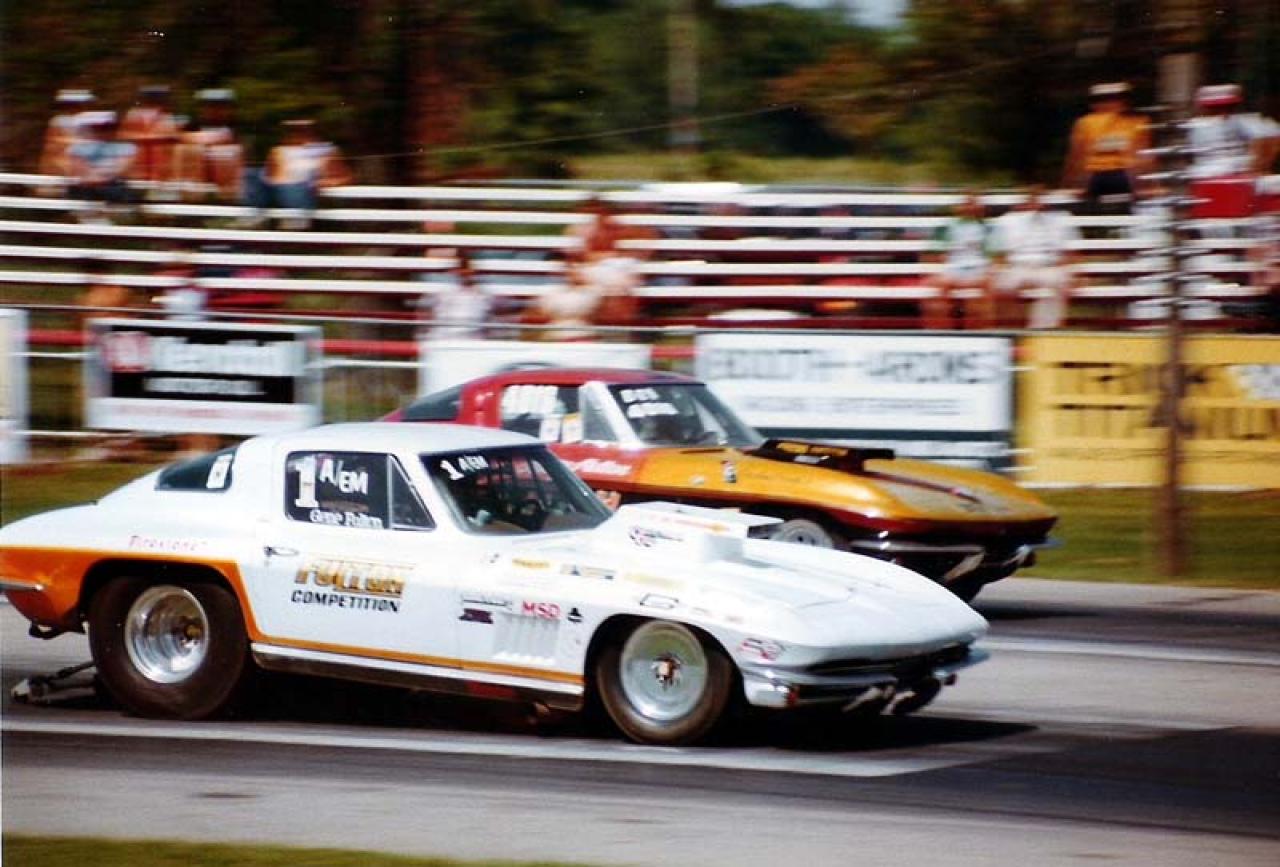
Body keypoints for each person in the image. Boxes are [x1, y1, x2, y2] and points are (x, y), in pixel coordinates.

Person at [993, 187, 1079, 329]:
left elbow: (1069, 252)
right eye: (1031, 199)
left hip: (1047, 267)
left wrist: (1072, 272)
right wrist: (1005, 270)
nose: (1035, 204)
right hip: (1017, 267)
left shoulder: (1059, 220)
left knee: (1060, 281)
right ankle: (1009, 328)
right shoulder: (1008, 221)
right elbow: (999, 254)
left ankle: (1042, 328)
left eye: (1039, 200)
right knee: (1000, 283)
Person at [245, 119, 352, 229]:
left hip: (303, 189)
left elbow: (345, 176)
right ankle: (254, 215)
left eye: (302, 129)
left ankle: (295, 218)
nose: (297, 133)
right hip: (276, 188)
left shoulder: (326, 151)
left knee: (293, 186)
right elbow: (268, 173)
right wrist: (273, 180)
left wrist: (328, 182)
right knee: (251, 174)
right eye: (293, 130)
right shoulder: (278, 150)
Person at [1062, 82, 1150, 214]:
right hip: (1102, 176)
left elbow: (1142, 155)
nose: (1109, 104)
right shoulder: (1086, 123)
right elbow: (1077, 156)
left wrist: (1144, 184)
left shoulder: (1136, 122)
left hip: (1118, 176)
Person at [923, 192, 996, 329]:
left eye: (973, 204)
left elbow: (995, 254)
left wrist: (990, 268)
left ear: (980, 207)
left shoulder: (988, 227)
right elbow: (933, 253)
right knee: (939, 286)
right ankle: (942, 330)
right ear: (959, 207)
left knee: (989, 284)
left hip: (979, 269)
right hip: (953, 269)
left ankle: (983, 329)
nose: (970, 208)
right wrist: (941, 257)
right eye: (966, 204)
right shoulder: (946, 227)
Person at [173, 88, 244, 201]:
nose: (215, 110)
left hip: (226, 187)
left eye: (220, 106)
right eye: (209, 106)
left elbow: (226, 138)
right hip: (194, 186)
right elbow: (180, 138)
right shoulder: (191, 127)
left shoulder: (237, 129)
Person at [66, 111, 138, 221]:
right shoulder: (78, 148)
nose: (102, 131)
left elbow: (122, 169)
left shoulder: (127, 148)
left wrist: (100, 176)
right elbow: (80, 170)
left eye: (107, 127)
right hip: (87, 189)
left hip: (113, 188)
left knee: (120, 196)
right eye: (97, 128)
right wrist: (98, 176)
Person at [120, 85, 180, 190]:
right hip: (137, 166)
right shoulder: (134, 115)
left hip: (161, 170)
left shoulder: (167, 117)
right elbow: (124, 136)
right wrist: (155, 138)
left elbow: (174, 137)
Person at [425, 250, 492, 341]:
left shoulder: (483, 294)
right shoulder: (442, 292)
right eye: (461, 267)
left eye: (466, 268)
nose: (464, 272)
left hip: (473, 340)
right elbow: (429, 316)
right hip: (444, 339)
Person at [37, 89, 95, 184]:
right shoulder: (58, 120)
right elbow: (52, 141)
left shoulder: (91, 120)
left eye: (79, 104)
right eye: (72, 104)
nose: (75, 107)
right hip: (63, 159)